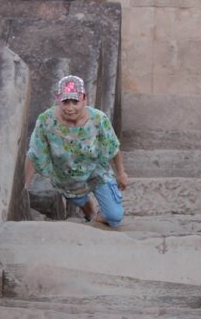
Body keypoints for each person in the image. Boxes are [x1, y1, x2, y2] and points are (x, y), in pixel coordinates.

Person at [24, 75, 129, 227]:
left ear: (84, 100)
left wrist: (121, 173)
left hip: (96, 172)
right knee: (79, 200)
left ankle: (98, 218)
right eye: (65, 102)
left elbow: (113, 147)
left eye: (75, 102)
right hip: (66, 177)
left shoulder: (98, 119)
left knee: (114, 217)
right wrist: (25, 187)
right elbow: (34, 153)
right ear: (58, 100)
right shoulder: (46, 121)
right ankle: (90, 214)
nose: (70, 107)